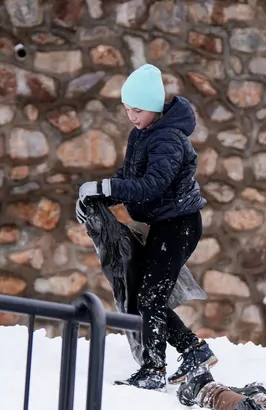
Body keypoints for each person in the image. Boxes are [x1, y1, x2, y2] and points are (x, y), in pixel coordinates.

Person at [76, 63, 216, 390]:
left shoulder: (168, 138)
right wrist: (94, 199)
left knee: (150, 297)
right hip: (164, 226)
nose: (131, 117)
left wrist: (105, 188)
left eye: (137, 110)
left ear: (153, 107)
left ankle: (155, 368)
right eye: (127, 110)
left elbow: (151, 186)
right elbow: (128, 178)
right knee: (146, 296)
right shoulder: (141, 135)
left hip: (179, 225)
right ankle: (194, 350)